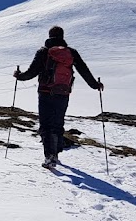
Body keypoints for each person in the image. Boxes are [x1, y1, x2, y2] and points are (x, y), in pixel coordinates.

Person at [13, 26, 102, 169]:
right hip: (63, 93)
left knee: (46, 124)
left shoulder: (43, 52)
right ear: (62, 36)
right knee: (58, 123)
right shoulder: (71, 53)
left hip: (45, 92)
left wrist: (19, 76)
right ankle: (56, 153)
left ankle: (50, 157)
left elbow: (31, 72)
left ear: (49, 36)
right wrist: (95, 85)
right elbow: (83, 70)